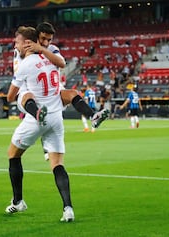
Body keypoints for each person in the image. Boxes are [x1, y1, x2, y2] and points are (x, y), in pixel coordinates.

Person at [5, 26, 74, 222]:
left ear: (27, 43)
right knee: (57, 164)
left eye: (17, 41)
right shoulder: (50, 56)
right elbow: (60, 64)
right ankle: (68, 208)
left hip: (35, 114)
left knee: (13, 154)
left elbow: (11, 96)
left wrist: (18, 88)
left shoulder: (28, 61)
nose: (15, 44)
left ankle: (18, 201)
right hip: (56, 115)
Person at [15, 22, 109, 160]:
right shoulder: (22, 50)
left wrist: (41, 49)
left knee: (72, 94)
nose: (46, 42)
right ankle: (45, 148)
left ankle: (93, 116)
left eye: (49, 39)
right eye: (43, 39)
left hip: (53, 89)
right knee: (40, 111)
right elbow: (18, 72)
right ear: (36, 37)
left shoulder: (51, 49)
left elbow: (62, 63)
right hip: (31, 90)